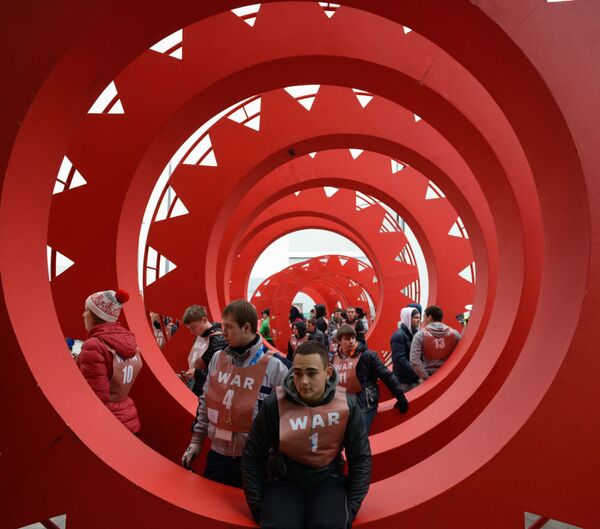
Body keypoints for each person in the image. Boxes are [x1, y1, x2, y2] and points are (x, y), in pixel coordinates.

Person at [241, 341, 371, 529]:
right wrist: (258, 506)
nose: (303, 381)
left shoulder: (347, 406)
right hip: (284, 481)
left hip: (328, 480)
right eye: (298, 373)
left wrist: (351, 506)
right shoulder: (274, 405)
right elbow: (253, 455)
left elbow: (360, 457)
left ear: (327, 373)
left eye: (311, 373)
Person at [181, 300, 288, 487]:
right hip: (218, 455)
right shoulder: (217, 358)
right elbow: (205, 401)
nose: (223, 332)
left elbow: (285, 419)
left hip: (254, 461)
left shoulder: (275, 368)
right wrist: (196, 441)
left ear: (246, 328)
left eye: (229, 327)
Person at [78, 288, 142, 434]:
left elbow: (96, 398)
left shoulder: (94, 346)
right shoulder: (130, 343)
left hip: (107, 424)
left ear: (96, 316)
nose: (83, 315)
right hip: (128, 417)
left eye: (86, 310)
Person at [333, 325, 408, 432]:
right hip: (343, 403)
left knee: (359, 437)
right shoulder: (334, 358)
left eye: (353, 338)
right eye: (347, 338)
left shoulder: (368, 356)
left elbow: (386, 375)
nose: (351, 341)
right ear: (339, 341)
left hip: (365, 403)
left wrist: (400, 397)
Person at [182, 304, 227, 396]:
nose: (191, 332)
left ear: (204, 320)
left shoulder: (218, 339)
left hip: (210, 393)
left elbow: (221, 375)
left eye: (193, 327)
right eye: (189, 329)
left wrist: (197, 374)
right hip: (197, 387)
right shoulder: (200, 335)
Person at [410, 305, 461, 381]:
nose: (422, 320)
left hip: (430, 375)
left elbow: (414, 360)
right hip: (450, 377)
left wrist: (425, 377)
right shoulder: (455, 334)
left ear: (430, 317)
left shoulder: (420, 335)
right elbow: (461, 354)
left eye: (424, 317)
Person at [390, 307, 421, 392]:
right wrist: (417, 374)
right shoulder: (398, 335)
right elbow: (400, 360)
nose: (418, 320)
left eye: (419, 318)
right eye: (415, 318)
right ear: (408, 318)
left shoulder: (415, 333)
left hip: (413, 377)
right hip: (405, 380)